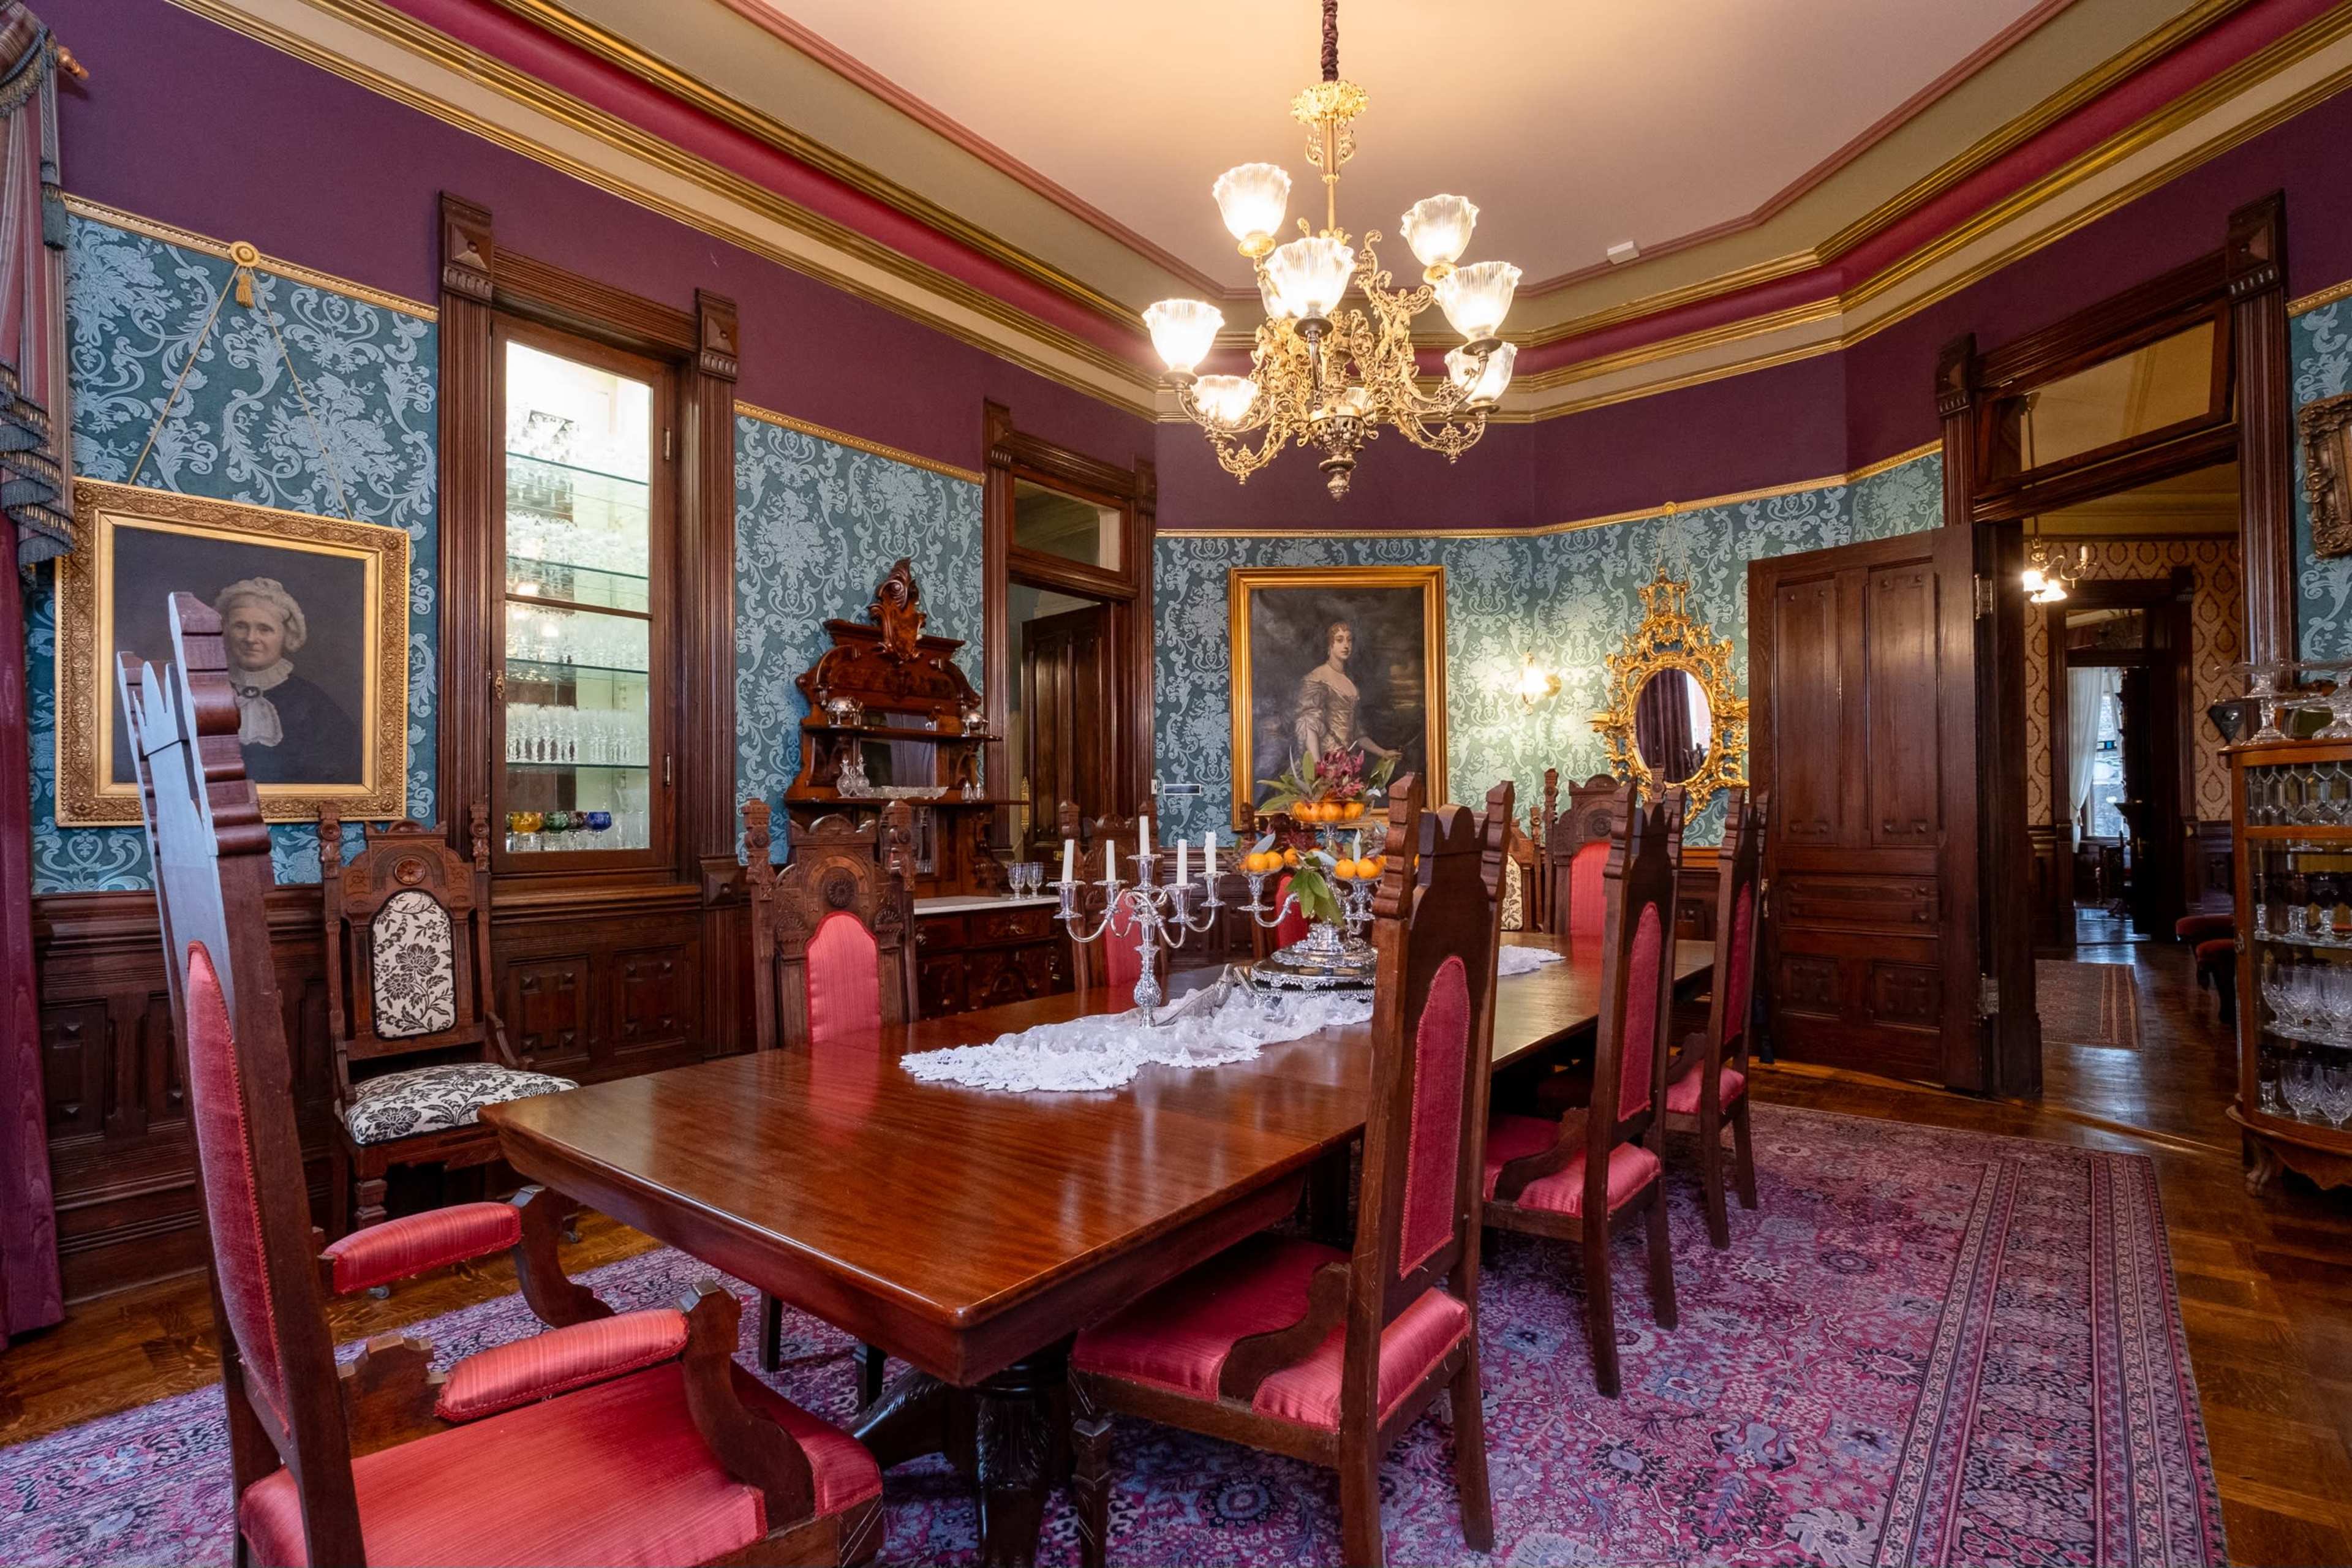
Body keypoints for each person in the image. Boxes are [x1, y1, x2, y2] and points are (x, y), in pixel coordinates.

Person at [212, 576, 362, 785]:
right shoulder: (204, 693)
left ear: (286, 635)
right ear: (226, 631)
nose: (250, 638)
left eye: (264, 629)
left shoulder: (313, 704)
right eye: (240, 626)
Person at [1291, 619, 1401, 767]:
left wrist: (1383, 753)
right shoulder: (1317, 678)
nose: (1346, 645)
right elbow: (1308, 725)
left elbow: (1356, 733)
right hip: (1325, 761)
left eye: (1349, 641)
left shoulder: (1349, 682)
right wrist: (1319, 767)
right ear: (1330, 645)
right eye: (1340, 640)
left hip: (1347, 763)